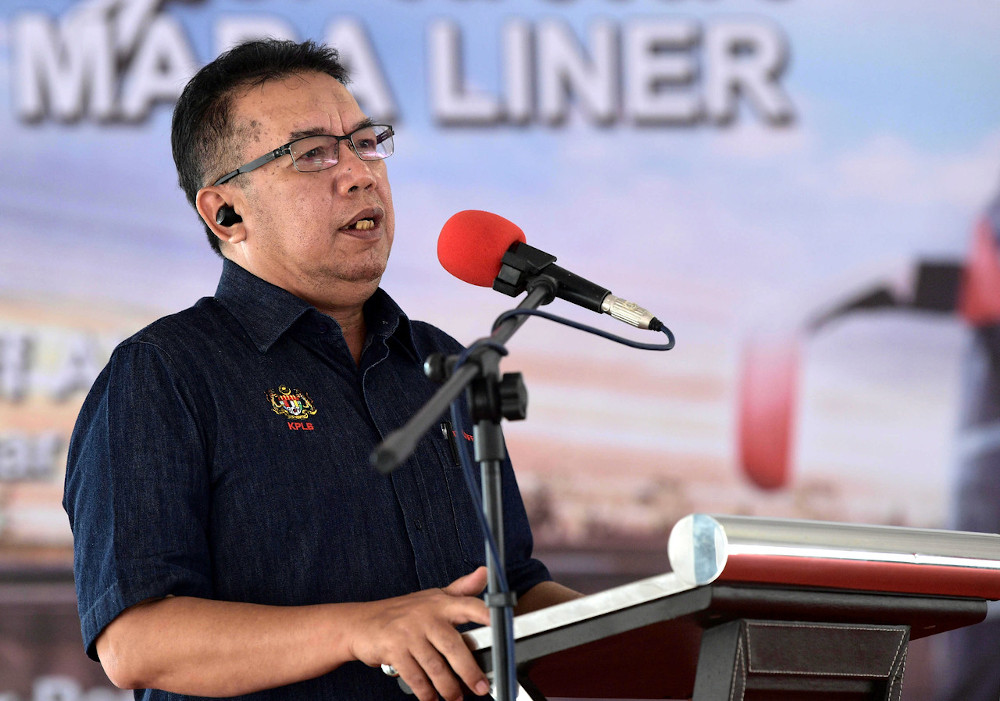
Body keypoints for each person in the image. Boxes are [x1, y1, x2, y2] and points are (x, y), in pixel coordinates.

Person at [62, 38, 577, 701]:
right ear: (226, 212)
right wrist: (358, 629)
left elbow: (516, 588)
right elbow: (135, 642)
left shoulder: (443, 363)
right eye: (312, 155)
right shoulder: (163, 373)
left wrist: (673, 617)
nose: (360, 174)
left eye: (365, 143)